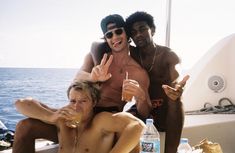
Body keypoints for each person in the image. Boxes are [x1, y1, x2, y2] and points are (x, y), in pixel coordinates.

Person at [12, 14, 151, 153]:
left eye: (119, 31)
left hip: (106, 119)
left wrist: (141, 96)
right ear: (106, 39)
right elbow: (76, 80)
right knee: (25, 126)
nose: (115, 37)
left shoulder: (138, 73)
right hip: (79, 113)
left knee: (131, 137)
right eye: (109, 34)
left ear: (127, 33)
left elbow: (144, 113)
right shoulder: (96, 58)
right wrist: (92, 77)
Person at [15, 81, 145, 153]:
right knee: (24, 125)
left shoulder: (100, 121)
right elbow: (21, 103)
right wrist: (51, 117)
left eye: (83, 101)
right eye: (72, 101)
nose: (76, 107)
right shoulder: (61, 119)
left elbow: (137, 126)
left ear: (93, 103)